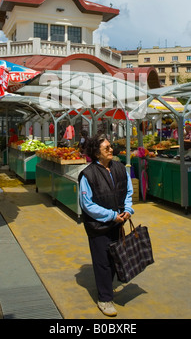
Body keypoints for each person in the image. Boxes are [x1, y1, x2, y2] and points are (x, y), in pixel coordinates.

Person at [78, 133, 134, 317]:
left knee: (114, 257)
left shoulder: (119, 168)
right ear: (96, 153)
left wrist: (127, 208)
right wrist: (111, 216)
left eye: (110, 147)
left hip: (118, 222)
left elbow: (127, 190)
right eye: (106, 148)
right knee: (102, 262)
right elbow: (87, 204)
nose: (111, 150)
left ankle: (107, 289)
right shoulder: (88, 174)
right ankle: (104, 299)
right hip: (98, 226)